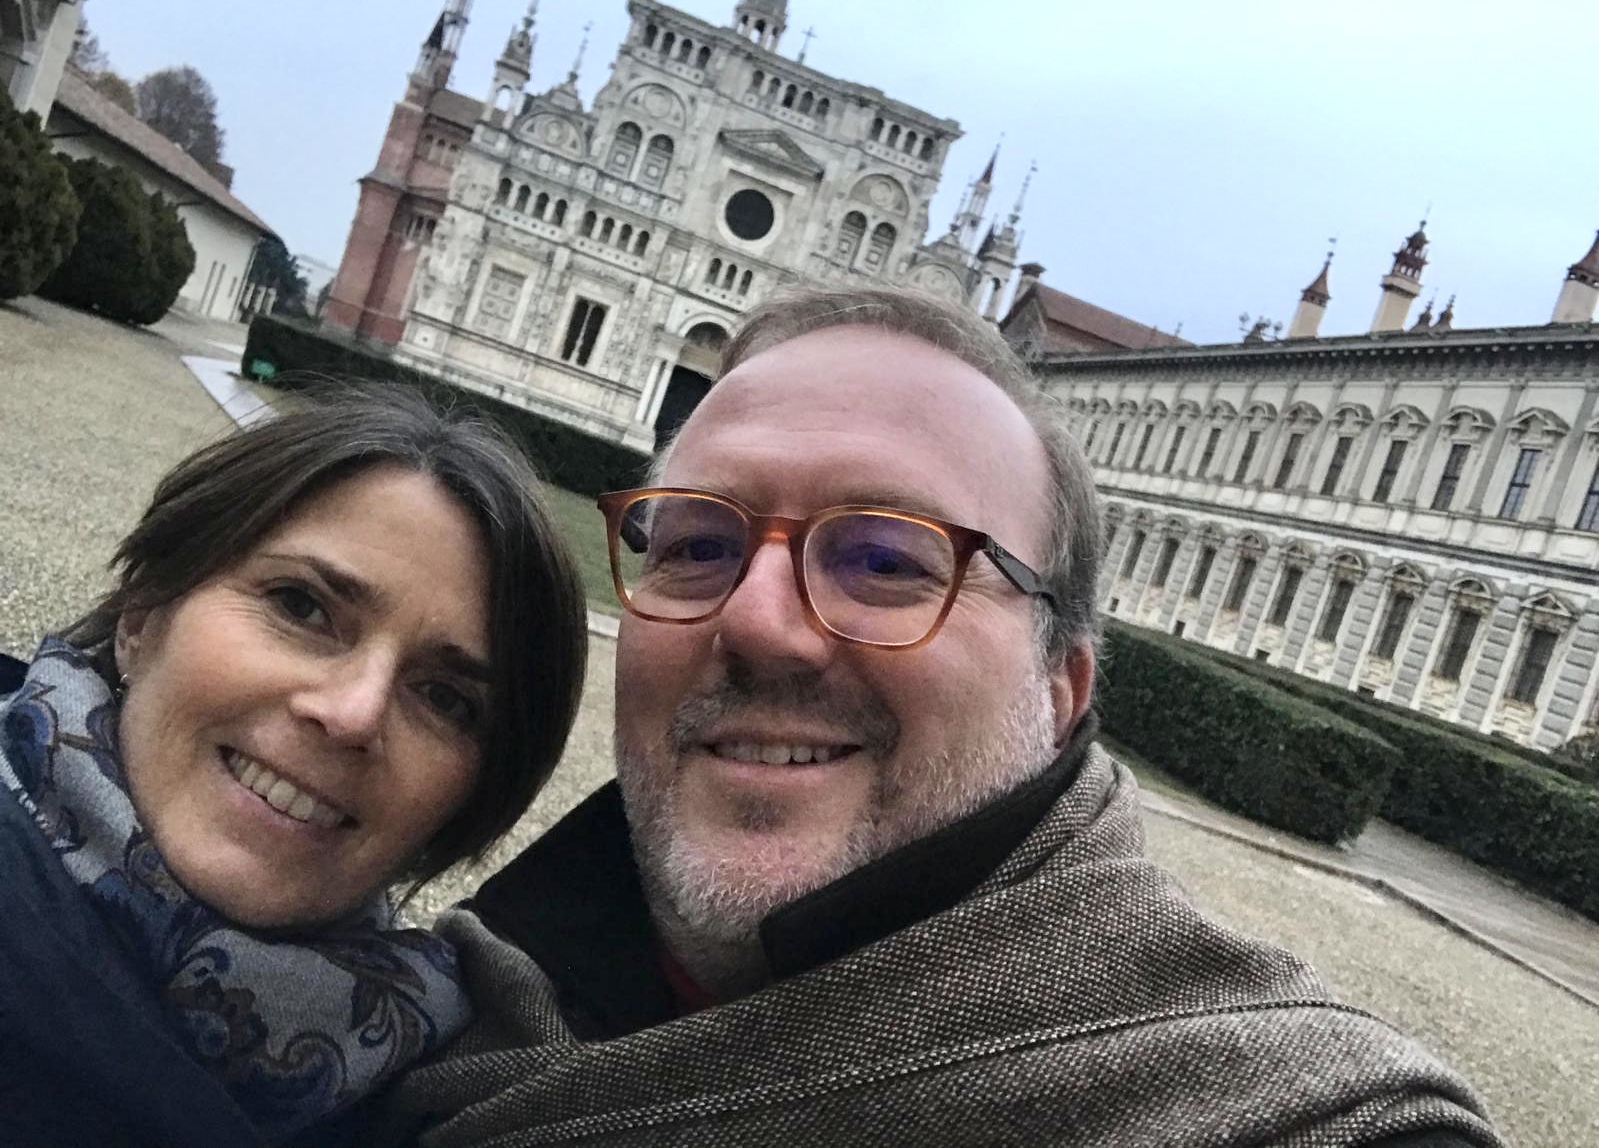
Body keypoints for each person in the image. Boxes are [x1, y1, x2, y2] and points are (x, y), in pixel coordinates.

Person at [390, 286, 1502, 1147]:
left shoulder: (1286, 1110)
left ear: (1062, 691)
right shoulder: (415, 1009)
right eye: (695, 544)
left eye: (885, 559)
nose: (760, 622)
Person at [0, 385, 588, 1148]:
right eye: (301, 607)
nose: (352, 714)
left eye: (445, 699)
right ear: (143, 614)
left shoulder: (448, 1106)